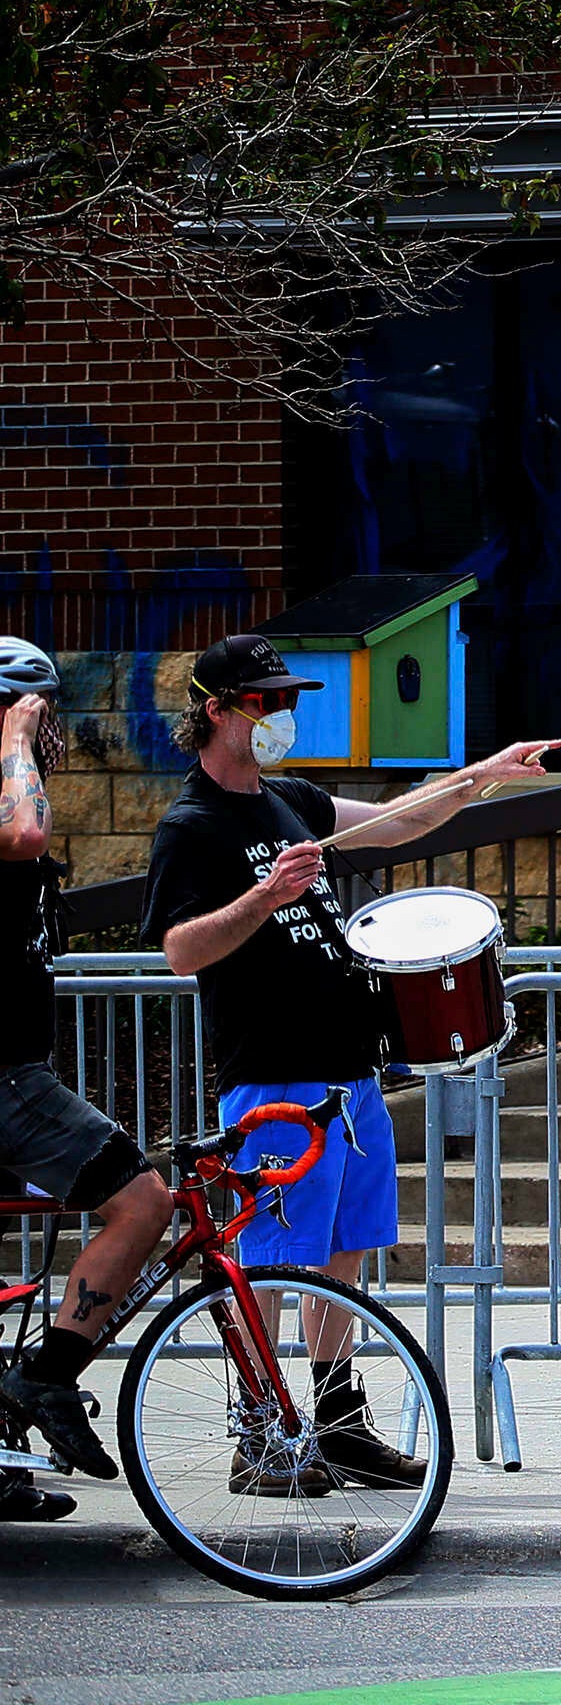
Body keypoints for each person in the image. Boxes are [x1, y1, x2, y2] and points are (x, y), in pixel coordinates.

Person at [142, 632, 560, 1492]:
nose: (281, 715)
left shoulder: (287, 797)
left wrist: (487, 770)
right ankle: (259, 1431)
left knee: (344, 1252)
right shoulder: (193, 826)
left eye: (287, 699)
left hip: (348, 1073)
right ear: (215, 710)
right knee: (269, 1258)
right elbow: (181, 951)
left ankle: (335, 1420)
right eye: (263, 702)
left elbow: (405, 820)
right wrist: (265, 895)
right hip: (274, 1075)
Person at [0, 640, 174, 1516]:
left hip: (15, 1070)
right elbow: (25, 832)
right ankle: (48, 1379)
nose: (50, 736)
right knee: (145, 1201)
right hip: (1, 1077)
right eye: (40, 716)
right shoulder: (6, 793)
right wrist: (11, 739)